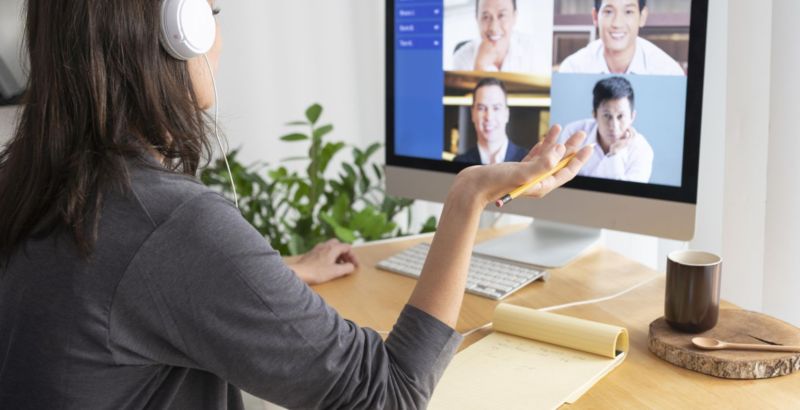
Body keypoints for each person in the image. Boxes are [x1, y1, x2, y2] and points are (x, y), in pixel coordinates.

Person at [0, 0, 592, 409]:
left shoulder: (28, 182)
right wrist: (468, 196)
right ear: (183, 32)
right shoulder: (170, 225)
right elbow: (387, 394)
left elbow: (121, 291)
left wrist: (277, 273)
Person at [559, 76, 653, 182]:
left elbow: (627, 196)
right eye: (607, 115)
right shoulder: (573, 133)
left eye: (620, 116)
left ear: (632, 116)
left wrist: (615, 154)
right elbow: (561, 182)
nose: (613, 126)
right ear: (594, 114)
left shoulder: (642, 149)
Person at [558, 0, 684, 76]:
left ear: (642, 17)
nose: (617, 23)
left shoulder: (667, 72)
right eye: (608, 12)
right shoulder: (573, 69)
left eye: (628, 12)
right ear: (595, 17)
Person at [451, 0, 540, 73]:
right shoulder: (462, 58)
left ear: (514, 17)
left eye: (501, 16)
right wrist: (479, 67)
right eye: (486, 17)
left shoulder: (531, 50)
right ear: (476, 18)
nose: (494, 28)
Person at [454, 78, 528, 164]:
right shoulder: (459, 162)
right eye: (481, 108)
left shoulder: (526, 161)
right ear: (473, 113)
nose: (489, 117)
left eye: (496, 108)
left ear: (506, 114)